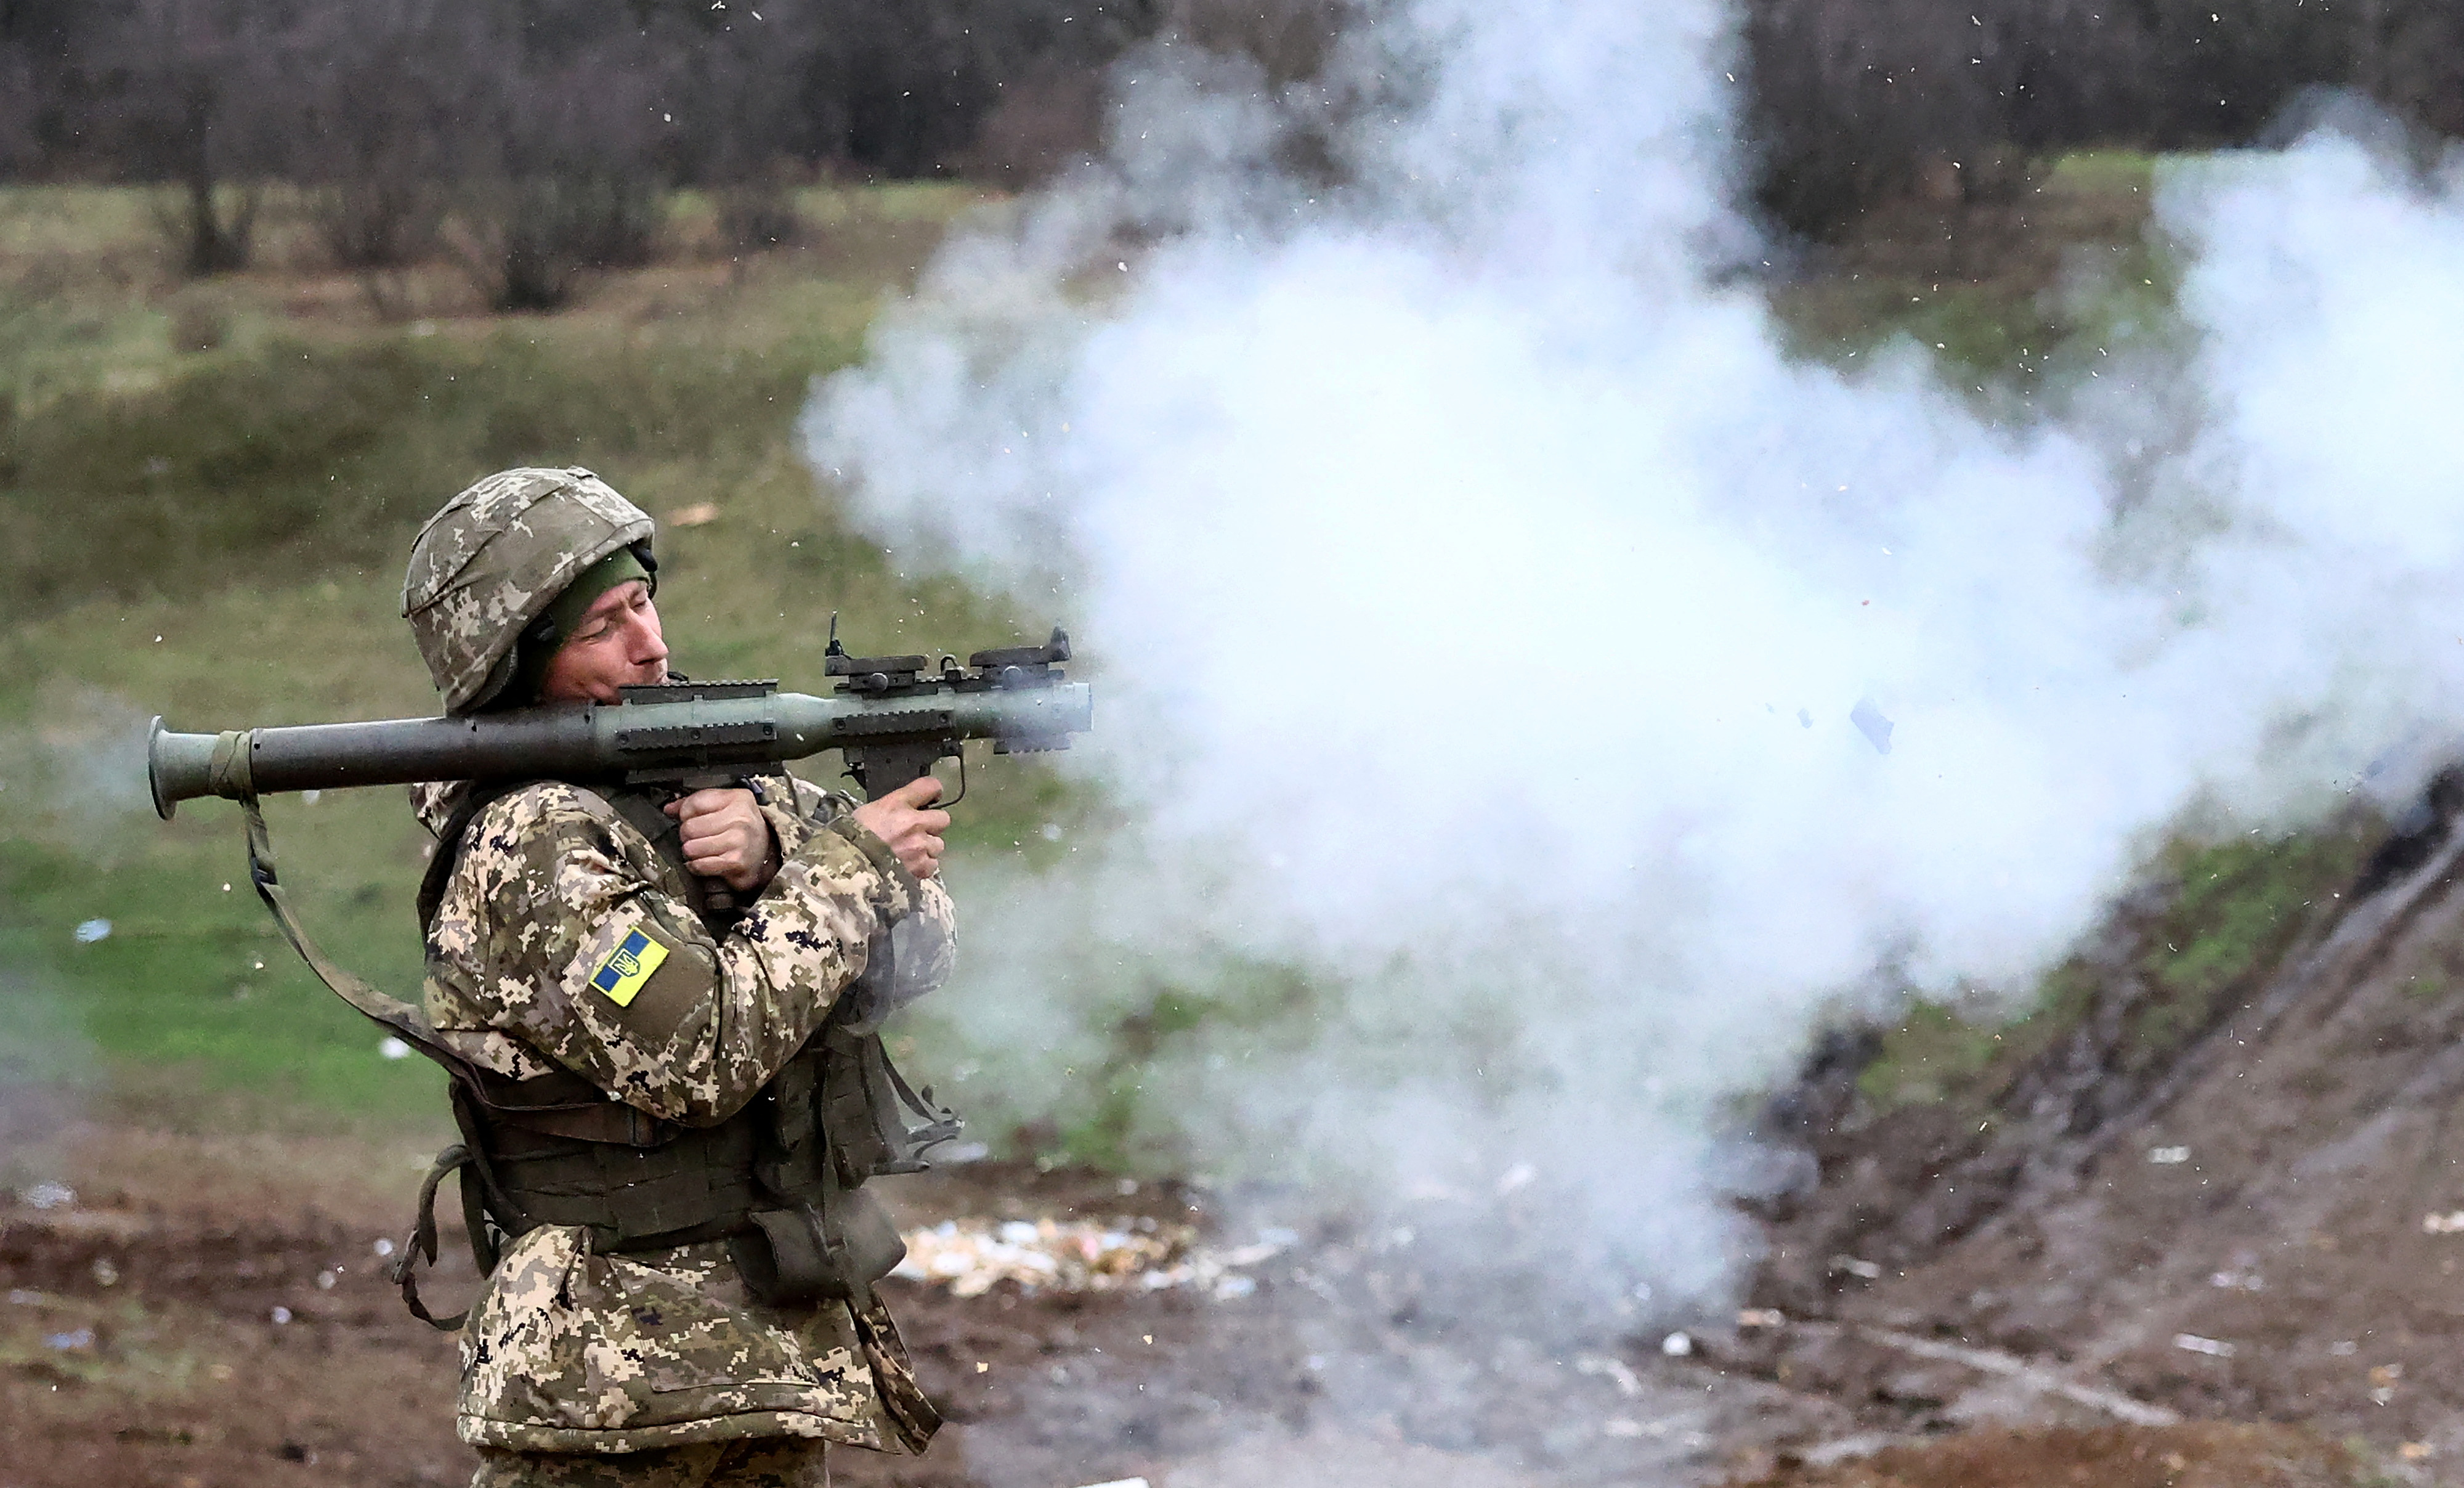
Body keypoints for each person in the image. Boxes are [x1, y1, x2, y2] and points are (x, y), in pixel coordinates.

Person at [397, 465, 957, 1488]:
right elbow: (699, 1056)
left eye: (643, 601)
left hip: (754, 1355)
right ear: (518, 663)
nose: (650, 644)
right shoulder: (529, 842)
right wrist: (844, 870)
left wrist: (779, 850)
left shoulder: (692, 764)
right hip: (613, 1390)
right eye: (601, 626)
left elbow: (919, 955)